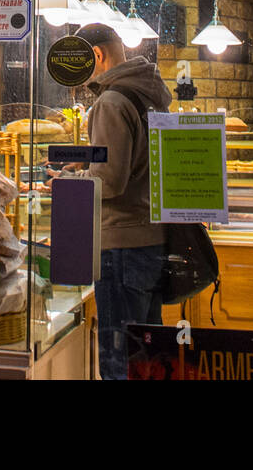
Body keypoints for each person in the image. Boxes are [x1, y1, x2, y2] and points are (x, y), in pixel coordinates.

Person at [70, 22, 172, 380]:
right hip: (151, 241)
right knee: (148, 360)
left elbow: (110, 182)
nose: (81, 79)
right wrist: (90, 159)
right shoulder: (148, 94)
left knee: (119, 362)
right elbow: (136, 163)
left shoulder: (112, 101)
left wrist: (72, 179)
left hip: (121, 246)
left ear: (97, 55)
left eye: (82, 64)